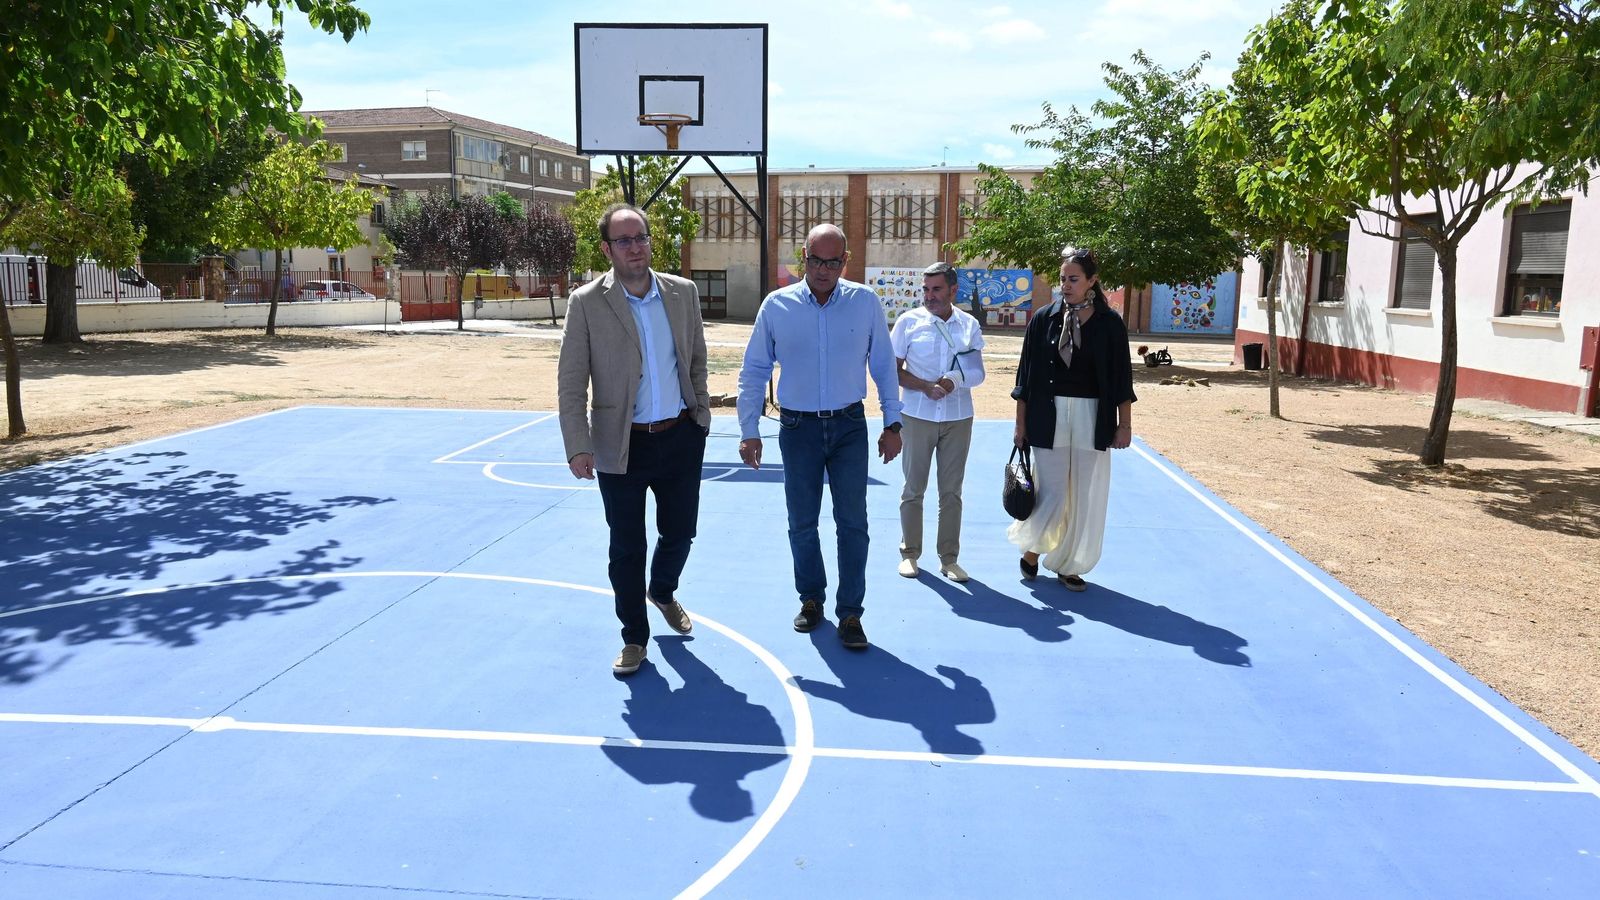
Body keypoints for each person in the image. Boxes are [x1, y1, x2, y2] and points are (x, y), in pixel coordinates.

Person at [557, 203, 711, 675]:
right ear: (607, 249)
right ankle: (634, 638)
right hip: (619, 444)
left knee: (680, 532)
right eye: (623, 240)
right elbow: (571, 380)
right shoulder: (586, 302)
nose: (634, 247)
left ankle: (661, 590)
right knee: (627, 547)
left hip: (680, 436)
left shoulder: (683, 293)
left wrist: (700, 416)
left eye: (640, 237)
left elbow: (697, 360)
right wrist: (578, 444)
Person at [737, 223, 903, 650]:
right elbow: (754, 369)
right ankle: (811, 598)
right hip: (798, 429)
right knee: (802, 521)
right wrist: (749, 429)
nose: (824, 269)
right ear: (803, 258)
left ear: (845, 261)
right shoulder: (777, 306)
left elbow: (883, 366)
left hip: (849, 426)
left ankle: (851, 613)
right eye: (816, 260)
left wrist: (893, 423)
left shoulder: (864, 303)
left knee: (853, 523)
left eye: (833, 261)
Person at [1009, 246, 1136, 591]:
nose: (1065, 285)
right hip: (1046, 415)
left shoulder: (1110, 324)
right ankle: (1033, 548)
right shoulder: (1043, 318)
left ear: (1092, 281)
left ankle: (1069, 564)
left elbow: (1122, 379)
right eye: (1063, 278)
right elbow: (1025, 377)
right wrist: (1020, 424)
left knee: (1082, 495)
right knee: (1052, 492)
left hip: (1092, 417)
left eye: (1074, 279)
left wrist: (1124, 425)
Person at [890, 261, 986, 583]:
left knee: (952, 492)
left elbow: (977, 373)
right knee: (913, 488)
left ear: (953, 290)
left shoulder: (969, 325)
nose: (929, 296)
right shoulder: (908, 322)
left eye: (936, 289)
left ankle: (949, 559)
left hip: (958, 418)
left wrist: (953, 380)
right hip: (917, 416)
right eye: (926, 289)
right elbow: (892, 370)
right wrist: (924, 386)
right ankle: (909, 554)